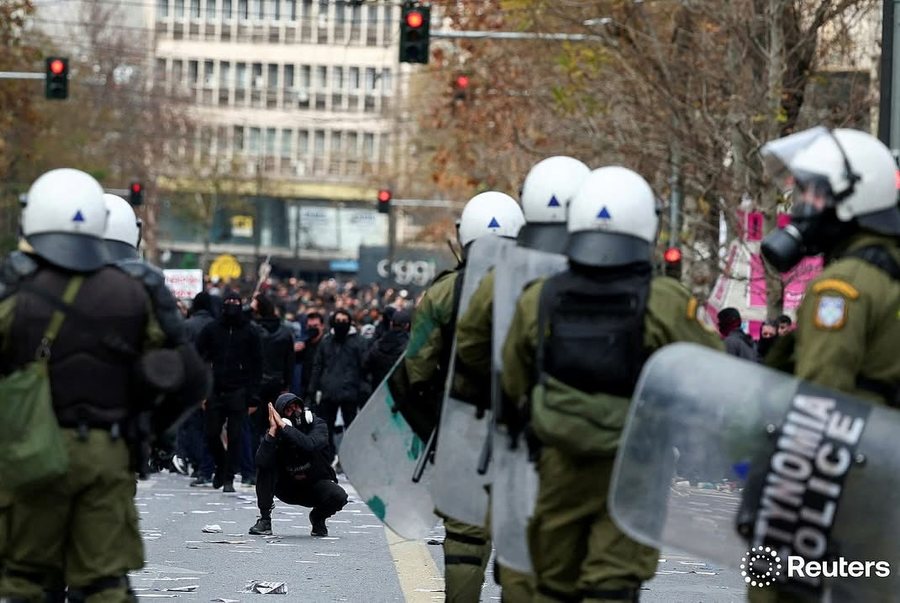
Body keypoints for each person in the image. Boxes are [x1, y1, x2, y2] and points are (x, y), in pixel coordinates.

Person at [501, 166, 722, 603]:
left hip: (559, 460)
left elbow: (512, 378)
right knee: (613, 582)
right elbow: (711, 376)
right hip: (635, 465)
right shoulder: (666, 302)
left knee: (552, 582)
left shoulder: (538, 298)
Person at [0, 169, 208, 602]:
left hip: (31, 456)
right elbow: (189, 378)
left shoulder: (17, 292)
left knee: (26, 579)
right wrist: (149, 430)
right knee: (102, 584)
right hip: (107, 454)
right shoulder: (133, 293)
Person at [757, 127, 900, 602]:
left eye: (813, 193)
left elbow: (819, 403)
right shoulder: (889, 275)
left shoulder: (840, 288)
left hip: (835, 486)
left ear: (852, 198)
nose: (802, 207)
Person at [453, 156, 590, 602]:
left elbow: (468, 352)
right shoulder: (645, 290)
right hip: (594, 454)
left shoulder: (504, 279)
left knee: (520, 562)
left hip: (518, 439)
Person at [394, 191, 525, 603]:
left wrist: (437, 427)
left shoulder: (443, 293)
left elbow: (415, 370)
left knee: (466, 538)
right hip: (527, 431)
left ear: (462, 235)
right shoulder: (541, 287)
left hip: (462, 427)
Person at [248, 393, 348, 538]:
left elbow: (310, 445)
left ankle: (318, 518)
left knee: (339, 496)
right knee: (265, 468)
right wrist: (272, 432)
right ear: (282, 416)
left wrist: (286, 428)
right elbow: (261, 461)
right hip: (286, 488)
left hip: (313, 485)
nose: (295, 412)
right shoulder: (277, 431)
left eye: (297, 406)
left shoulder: (318, 424)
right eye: (289, 409)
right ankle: (264, 520)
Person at [196, 291, 264, 493]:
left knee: (235, 436)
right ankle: (222, 465)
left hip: (239, 390)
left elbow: (257, 365)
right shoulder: (212, 329)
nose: (232, 304)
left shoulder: (250, 332)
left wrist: (253, 396)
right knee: (211, 433)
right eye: (229, 301)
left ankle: (228, 478)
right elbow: (198, 358)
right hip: (215, 390)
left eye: (236, 301)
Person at [242, 293, 295, 485]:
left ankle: (253, 469)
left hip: (256, 385)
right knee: (274, 428)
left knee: (253, 429)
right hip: (277, 385)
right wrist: (286, 386)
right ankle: (272, 469)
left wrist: (250, 307)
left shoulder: (253, 329)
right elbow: (289, 362)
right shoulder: (285, 332)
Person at [306, 309, 368, 454]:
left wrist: (363, 391)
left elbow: (364, 368)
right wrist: (312, 391)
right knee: (325, 428)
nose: (341, 324)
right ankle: (327, 458)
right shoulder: (326, 342)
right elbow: (318, 367)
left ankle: (352, 458)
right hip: (329, 392)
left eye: (344, 321)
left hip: (350, 393)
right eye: (338, 320)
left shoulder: (358, 342)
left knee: (352, 429)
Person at [363, 309, 411, 387]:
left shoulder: (378, 344)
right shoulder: (410, 345)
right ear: (407, 325)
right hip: (402, 391)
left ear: (391, 324)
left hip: (379, 390)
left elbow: (365, 365)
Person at [294, 311, 325, 396]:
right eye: (310, 326)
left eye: (315, 326)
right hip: (305, 387)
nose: (312, 328)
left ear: (322, 326)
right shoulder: (305, 344)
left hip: (322, 389)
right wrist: (293, 351)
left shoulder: (327, 344)